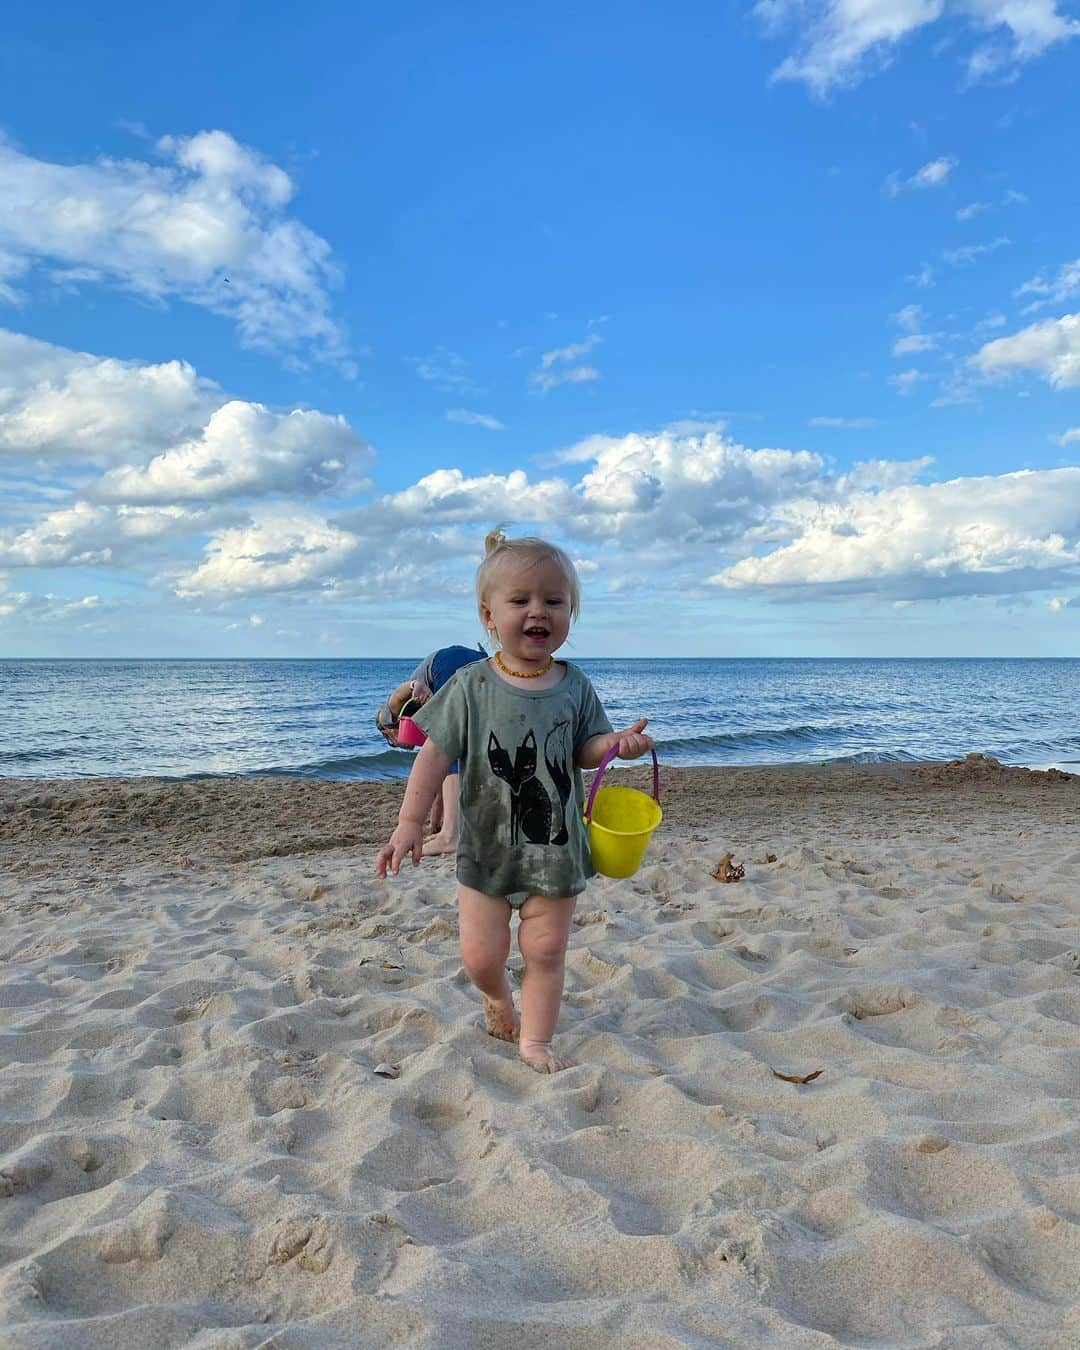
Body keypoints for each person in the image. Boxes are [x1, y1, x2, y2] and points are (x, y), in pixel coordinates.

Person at [376, 528, 654, 1074]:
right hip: (485, 850)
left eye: (554, 601)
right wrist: (410, 823)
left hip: (555, 849)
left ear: (571, 612)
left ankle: (537, 1041)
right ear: (488, 615)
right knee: (482, 958)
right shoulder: (472, 685)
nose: (538, 612)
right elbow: (433, 755)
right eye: (521, 600)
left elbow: (583, 749)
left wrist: (615, 746)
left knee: (546, 952)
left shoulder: (575, 686)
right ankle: (499, 999)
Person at [375, 644, 486, 854]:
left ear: (389, 731)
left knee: (450, 749)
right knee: (465, 748)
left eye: (393, 742)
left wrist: (413, 686)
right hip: (477, 659)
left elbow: (397, 696)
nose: (402, 746)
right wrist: (433, 826)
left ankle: (451, 835)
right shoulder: (426, 719)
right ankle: (449, 831)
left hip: (445, 663)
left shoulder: (387, 717)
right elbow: (438, 779)